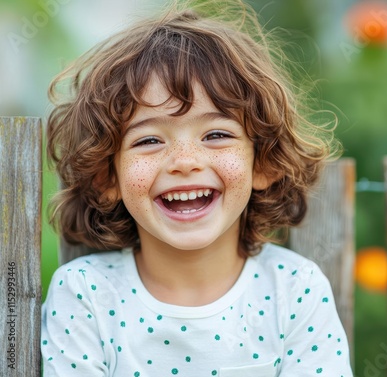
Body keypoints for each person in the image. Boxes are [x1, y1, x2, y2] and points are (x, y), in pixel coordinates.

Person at [41, 0, 353, 375]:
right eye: (149, 140)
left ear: (265, 163)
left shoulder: (295, 291)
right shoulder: (86, 295)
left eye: (217, 134)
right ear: (108, 178)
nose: (184, 160)